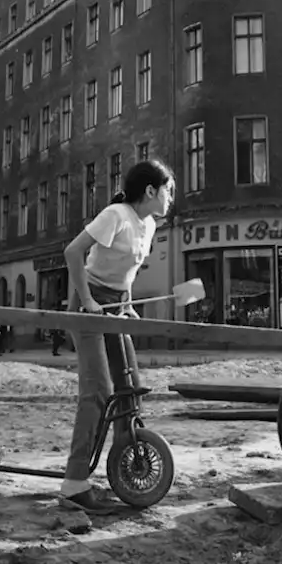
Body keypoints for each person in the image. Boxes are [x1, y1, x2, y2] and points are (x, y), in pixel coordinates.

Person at [60, 159, 175, 513]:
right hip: (89, 301)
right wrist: (89, 301)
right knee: (98, 391)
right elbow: (73, 252)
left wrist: (126, 304)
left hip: (116, 305)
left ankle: (125, 467)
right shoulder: (116, 215)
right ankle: (74, 484)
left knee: (130, 387)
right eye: (168, 191)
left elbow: (127, 271)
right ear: (151, 191)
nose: (171, 199)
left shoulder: (149, 225)